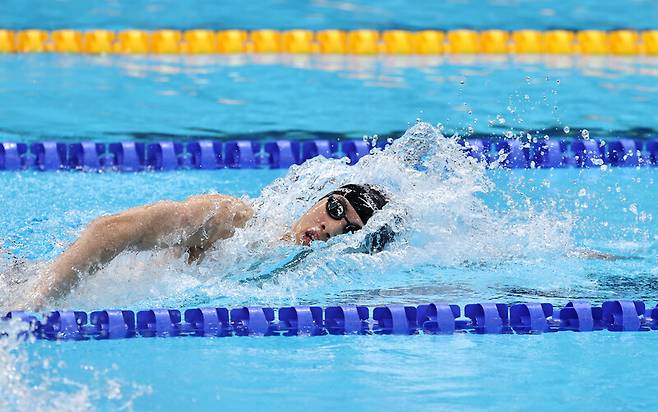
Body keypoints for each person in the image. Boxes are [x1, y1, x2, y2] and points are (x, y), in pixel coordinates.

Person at [28, 183, 390, 309]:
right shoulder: (233, 220)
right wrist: (29, 305)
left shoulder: (308, 278)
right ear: (322, 197)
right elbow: (109, 231)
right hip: (30, 286)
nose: (330, 229)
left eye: (349, 232)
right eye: (336, 209)